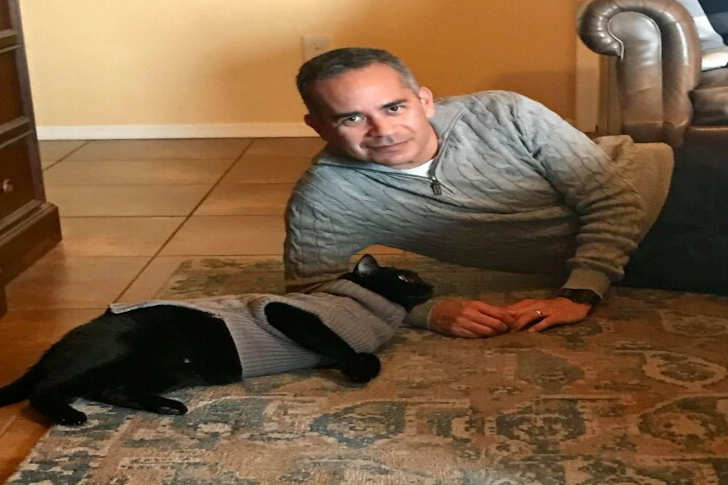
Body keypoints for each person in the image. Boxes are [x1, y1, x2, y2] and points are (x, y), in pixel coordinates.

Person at [283, 47, 728, 338]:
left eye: (394, 107)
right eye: (351, 118)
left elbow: (610, 199)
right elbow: (314, 286)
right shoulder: (326, 197)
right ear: (317, 126)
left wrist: (579, 293)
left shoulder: (503, 112)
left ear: (425, 100)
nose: (383, 130)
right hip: (647, 254)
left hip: (683, 179)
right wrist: (425, 311)